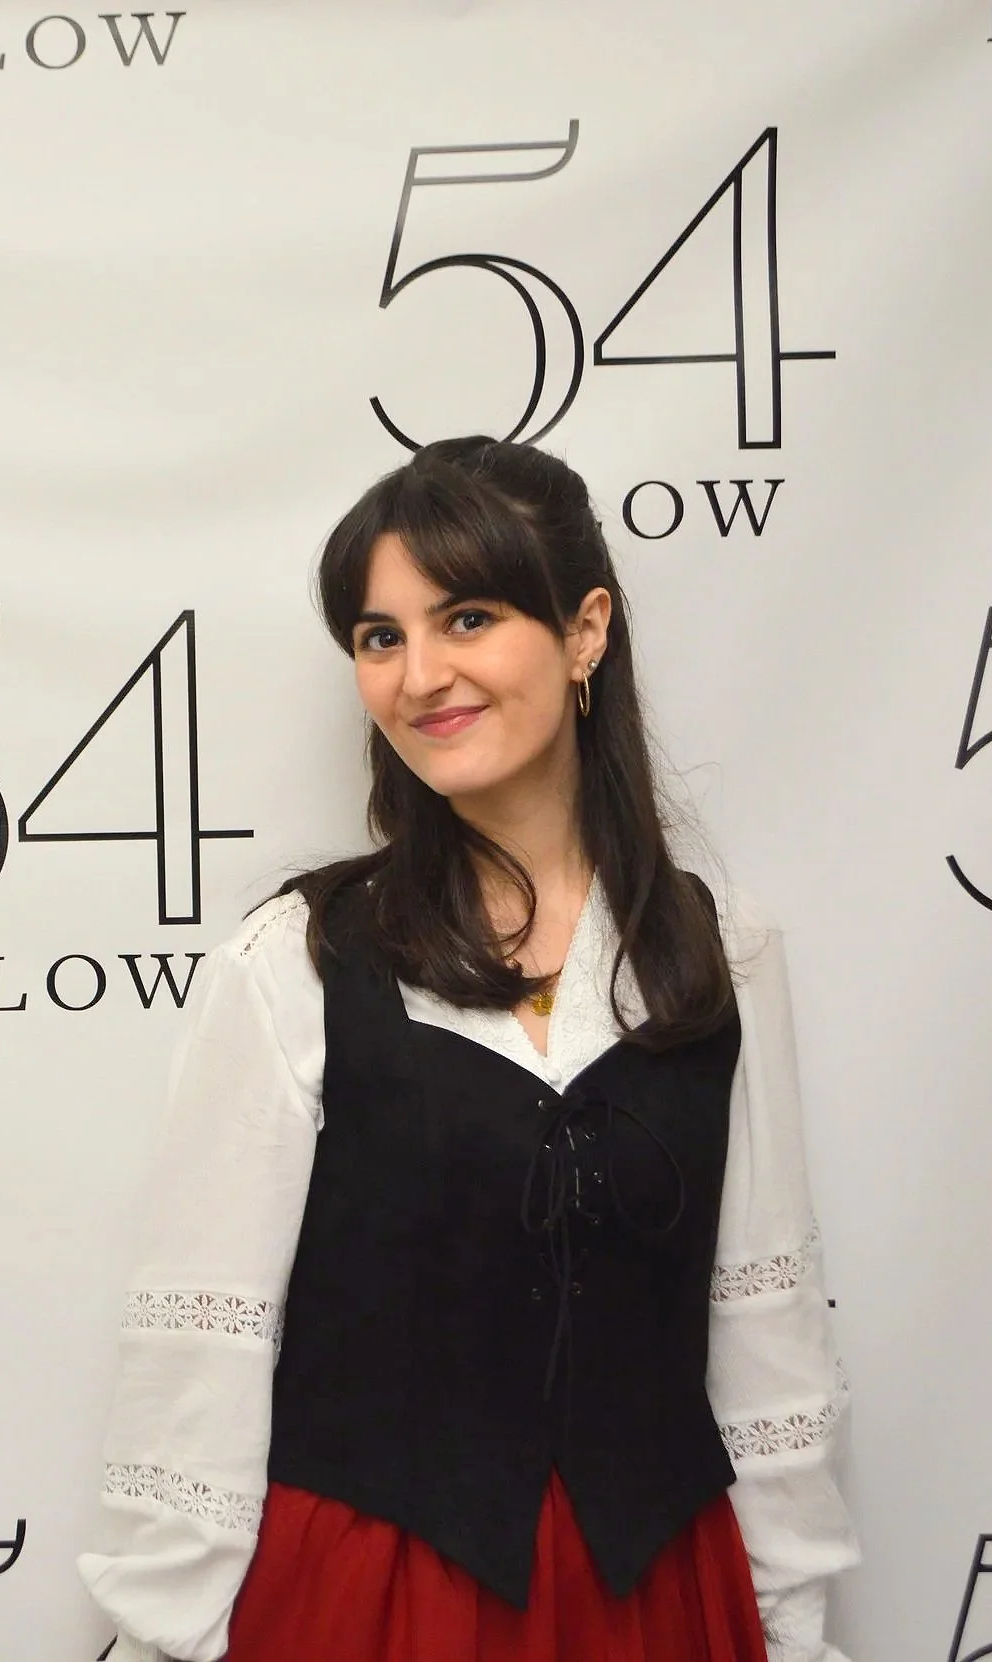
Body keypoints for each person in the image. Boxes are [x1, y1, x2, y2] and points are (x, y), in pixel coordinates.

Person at [76, 438, 857, 1662]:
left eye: (468, 617)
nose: (419, 674)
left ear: (584, 628)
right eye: (379, 637)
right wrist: (163, 1633)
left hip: (655, 1602)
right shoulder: (296, 961)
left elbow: (765, 1343)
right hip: (376, 1606)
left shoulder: (722, 952)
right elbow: (201, 1357)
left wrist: (790, 1628)